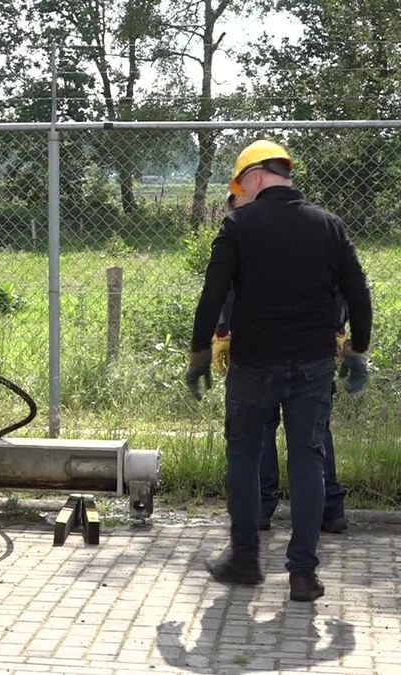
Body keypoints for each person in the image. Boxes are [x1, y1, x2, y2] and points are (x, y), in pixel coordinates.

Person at [186, 139, 371, 602]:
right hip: (311, 365)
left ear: (253, 177)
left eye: (240, 185)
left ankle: (245, 559)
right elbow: (359, 292)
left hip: (253, 366)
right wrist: (358, 353)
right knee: (308, 461)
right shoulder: (328, 225)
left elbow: (212, 295)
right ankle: (303, 575)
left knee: (244, 458)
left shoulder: (238, 225)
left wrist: (198, 356)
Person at [211, 191, 349, 535]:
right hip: (309, 353)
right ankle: (329, 509)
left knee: (262, 429)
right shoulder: (311, 231)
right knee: (313, 434)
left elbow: (227, 292)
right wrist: (336, 327)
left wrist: (223, 334)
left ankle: (261, 508)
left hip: (261, 356)